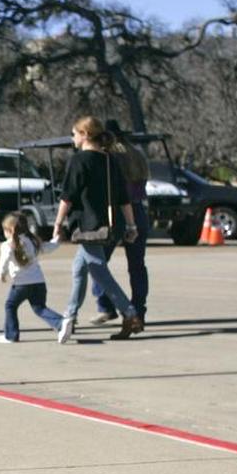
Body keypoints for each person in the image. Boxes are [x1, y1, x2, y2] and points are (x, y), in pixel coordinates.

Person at [51, 116, 143, 343]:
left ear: (84, 135)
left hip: (88, 226)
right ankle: (70, 317)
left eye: (74, 134)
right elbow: (124, 198)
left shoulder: (79, 160)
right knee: (79, 269)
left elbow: (68, 196)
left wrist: (57, 223)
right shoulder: (111, 161)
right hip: (111, 225)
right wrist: (131, 225)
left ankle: (130, 314)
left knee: (99, 270)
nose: (73, 138)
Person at [90, 121, 151, 328]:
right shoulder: (137, 156)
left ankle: (106, 304)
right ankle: (139, 309)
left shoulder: (110, 159)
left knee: (97, 263)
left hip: (116, 213)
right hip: (139, 210)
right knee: (137, 266)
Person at [0, 212, 64, 343]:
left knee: (10, 306)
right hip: (39, 282)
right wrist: (57, 240)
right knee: (40, 308)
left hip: (21, 285)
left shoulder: (7, 245)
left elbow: (3, 261)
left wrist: (1, 274)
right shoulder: (33, 241)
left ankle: (11, 335)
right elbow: (47, 248)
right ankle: (62, 323)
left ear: (9, 230)